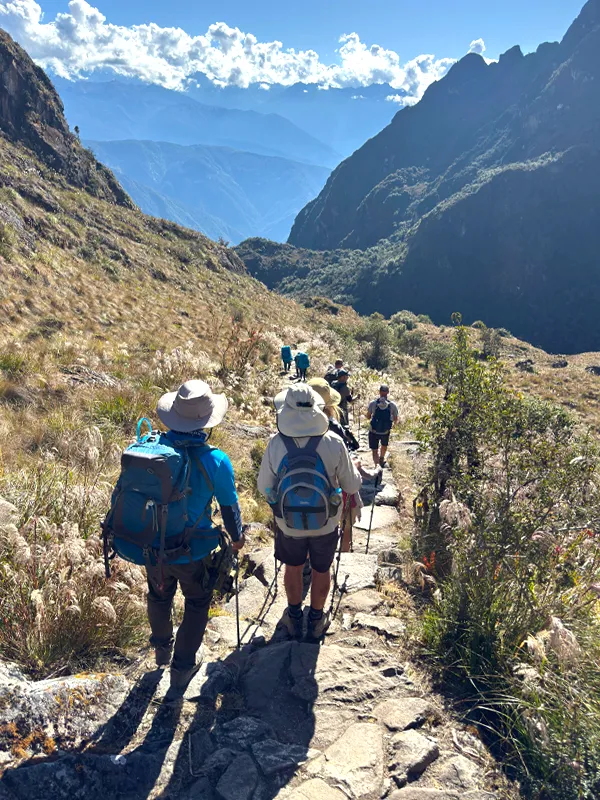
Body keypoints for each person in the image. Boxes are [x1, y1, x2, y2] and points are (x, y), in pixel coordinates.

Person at [108, 380, 245, 693]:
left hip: (150, 545)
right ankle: (182, 666)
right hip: (192, 551)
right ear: (206, 423)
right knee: (197, 601)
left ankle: (161, 649)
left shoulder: (150, 450)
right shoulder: (217, 461)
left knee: (159, 594)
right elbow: (229, 507)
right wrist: (236, 539)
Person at [258, 384, 361, 640]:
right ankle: (316, 620)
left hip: (288, 523)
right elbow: (352, 485)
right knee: (321, 569)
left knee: (293, 568)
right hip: (325, 522)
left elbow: (264, 487)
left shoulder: (275, 442)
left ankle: (293, 617)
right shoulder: (333, 441)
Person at [308, 378, 363, 552]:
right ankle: (343, 556)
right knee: (345, 525)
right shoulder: (334, 428)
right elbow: (345, 462)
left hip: (304, 491)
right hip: (335, 490)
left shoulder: (291, 429)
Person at [367, 384, 399, 467]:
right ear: (388, 392)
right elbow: (395, 418)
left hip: (373, 430)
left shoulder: (373, 403)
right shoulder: (392, 405)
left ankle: (376, 465)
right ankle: (381, 458)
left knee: (374, 450)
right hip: (385, 431)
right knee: (384, 446)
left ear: (379, 392)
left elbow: (368, 416)